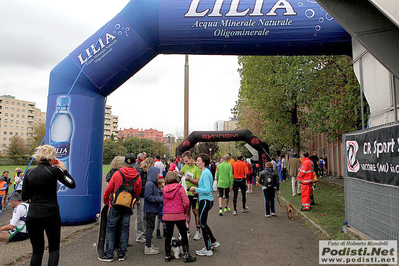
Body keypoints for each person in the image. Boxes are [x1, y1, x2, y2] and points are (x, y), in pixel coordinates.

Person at [22, 145, 76, 266]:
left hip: (34, 214)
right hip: (51, 213)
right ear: (52, 157)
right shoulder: (54, 171)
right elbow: (72, 184)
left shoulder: (29, 173)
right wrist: (64, 169)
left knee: (37, 251)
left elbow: (24, 197)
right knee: (53, 248)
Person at [99, 153, 142, 262]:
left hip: (115, 204)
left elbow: (108, 190)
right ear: (134, 163)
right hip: (127, 206)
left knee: (111, 228)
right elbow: (137, 191)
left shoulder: (118, 174)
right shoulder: (137, 176)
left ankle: (109, 253)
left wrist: (106, 201)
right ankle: (121, 253)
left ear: (124, 162)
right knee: (124, 228)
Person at [190, 153, 220, 257]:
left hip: (205, 201)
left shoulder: (206, 173)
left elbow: (208, 189)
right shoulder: (205, 172)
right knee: (203, 223)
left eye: (198, 160)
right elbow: (208, 189)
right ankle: (213, 241)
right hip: (205, 200)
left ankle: (208, 249)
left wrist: (196, 189)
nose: (196, 162)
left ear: (203, 162)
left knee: (202, 224)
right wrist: (198, 192)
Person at [163, 172, 196, 262]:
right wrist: (185, 211)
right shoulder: (179, 188)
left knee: (168, 235)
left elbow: (163, 201)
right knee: (183, 233)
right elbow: (186, 202)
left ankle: (167, 254)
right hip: (179, 214)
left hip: (167, 215)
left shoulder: (164, 189)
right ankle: (186, 255)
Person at [179, 151, 202, 240]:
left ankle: (197, 231)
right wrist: (175, 172)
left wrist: (188, 179)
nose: (186, 163)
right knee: (187, 212)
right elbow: (181, 172)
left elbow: (198, 181)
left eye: (187, 161)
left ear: (191, 158)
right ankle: (187, 230)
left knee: (195, 211)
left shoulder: (197, 169)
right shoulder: (185, 166)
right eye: (184, 161)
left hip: (194, 193)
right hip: (186, 193)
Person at [143, 167, 163, 255]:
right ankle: (147, 246)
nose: (158, 175)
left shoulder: (151, 183)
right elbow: (148, 197)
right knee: (150, 227)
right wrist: (160, 199)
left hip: (152, 208)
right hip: (150, 209)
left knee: (151, 227)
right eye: (157, 173)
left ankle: (149, 245)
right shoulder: (150, 184)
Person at [136, 157, 155, 243]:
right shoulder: (141, 172)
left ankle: (143, 233)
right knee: (140, 216)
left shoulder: (144, 172)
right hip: (141, 196)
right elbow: (137, 185)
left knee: (144, 216)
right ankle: (139, 235)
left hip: (145, 195)